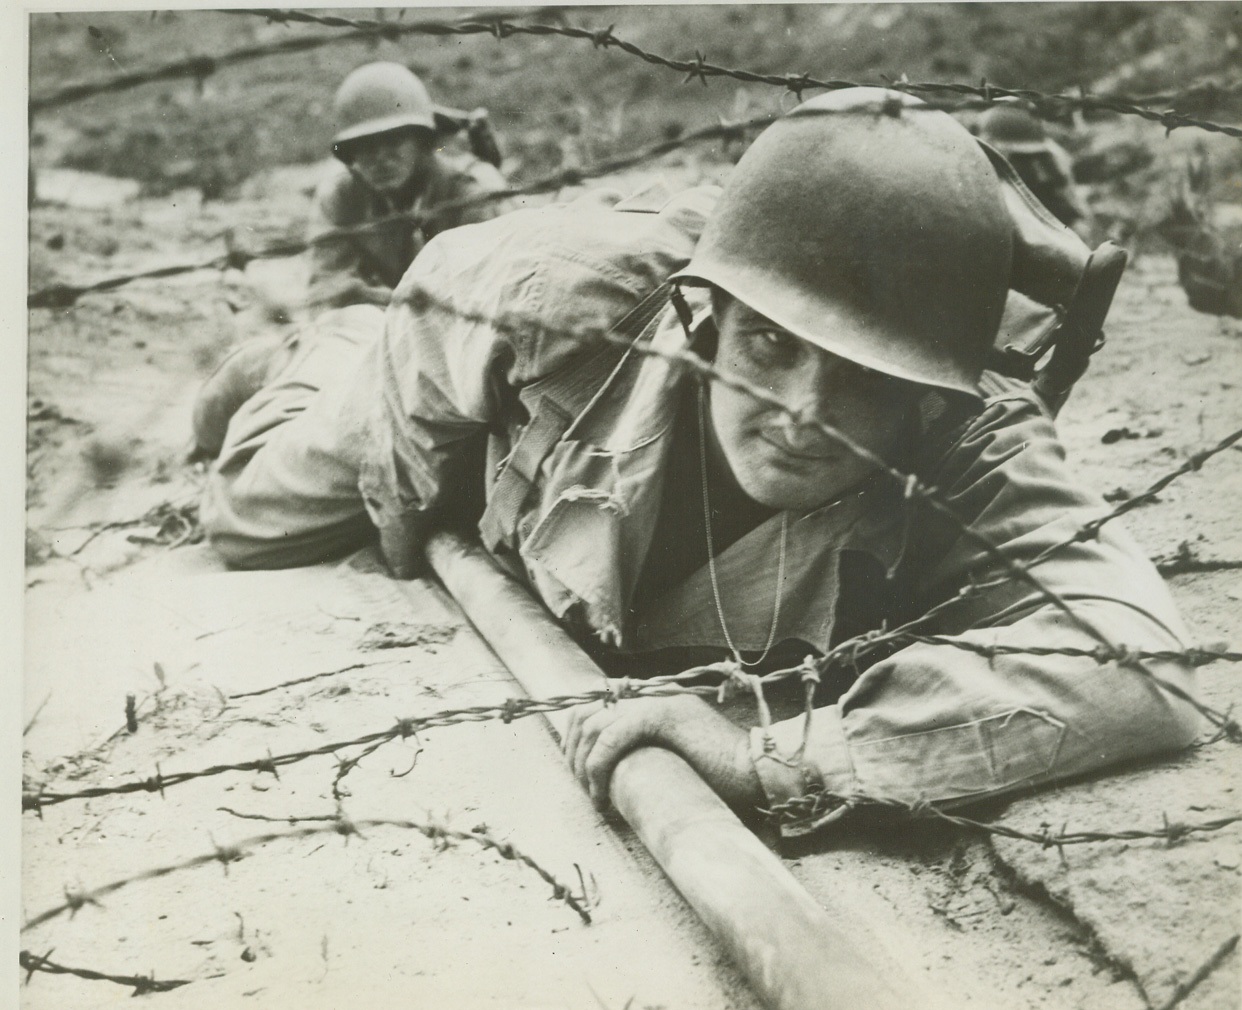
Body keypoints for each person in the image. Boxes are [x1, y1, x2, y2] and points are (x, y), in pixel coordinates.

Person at [194, 89, 1200, 833]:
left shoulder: (969, 428)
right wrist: (407, 506)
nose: (802, 413)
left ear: (933, 391)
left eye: (867, 376)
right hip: (438, 376)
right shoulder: (575, 291)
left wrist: (770, 756)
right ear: (707, 315)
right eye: (769, 344)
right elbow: (438, 295)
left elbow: (1141, 664)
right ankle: (308, 350)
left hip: (530, 469)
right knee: (249, 520)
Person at [306, 61, 510, 310]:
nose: (380, 158)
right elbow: (325, 289)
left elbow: (493, 290)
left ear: (421, 143)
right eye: (365, 145)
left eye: (393, 141)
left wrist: (376, 299)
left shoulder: (471, 189)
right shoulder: (341, 197)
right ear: (351, 154)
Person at [979, 102, 1093, 240]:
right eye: (1020, 157)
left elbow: (1062, 198)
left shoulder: (1048, 164)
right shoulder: (982, 178)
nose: (1032, 164)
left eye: (1034, 157)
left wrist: (1074, 222)